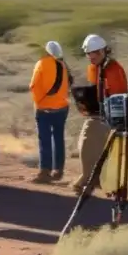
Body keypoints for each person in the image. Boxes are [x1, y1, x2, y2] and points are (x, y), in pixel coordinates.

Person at [72, 33, 128, 193]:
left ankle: (87, 179)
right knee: (89, 144)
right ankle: (93, 179)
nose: (90, 57)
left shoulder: (114, 70)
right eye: (88, 54)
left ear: (103, 52)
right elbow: (95, 89)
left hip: (111, 115)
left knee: (87, 141)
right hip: (98, 112)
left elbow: (119, 96)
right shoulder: (93, 68)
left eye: (93, 54)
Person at [28, 40, 72, 184]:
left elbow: (34, 86)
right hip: (62, 108)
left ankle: (45, 172)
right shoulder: (64, 66)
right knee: (58, 138)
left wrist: (39, 102)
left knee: (45, 140)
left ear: (47, 52)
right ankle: (58, 170)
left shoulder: (41, 64)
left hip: (44, 109)